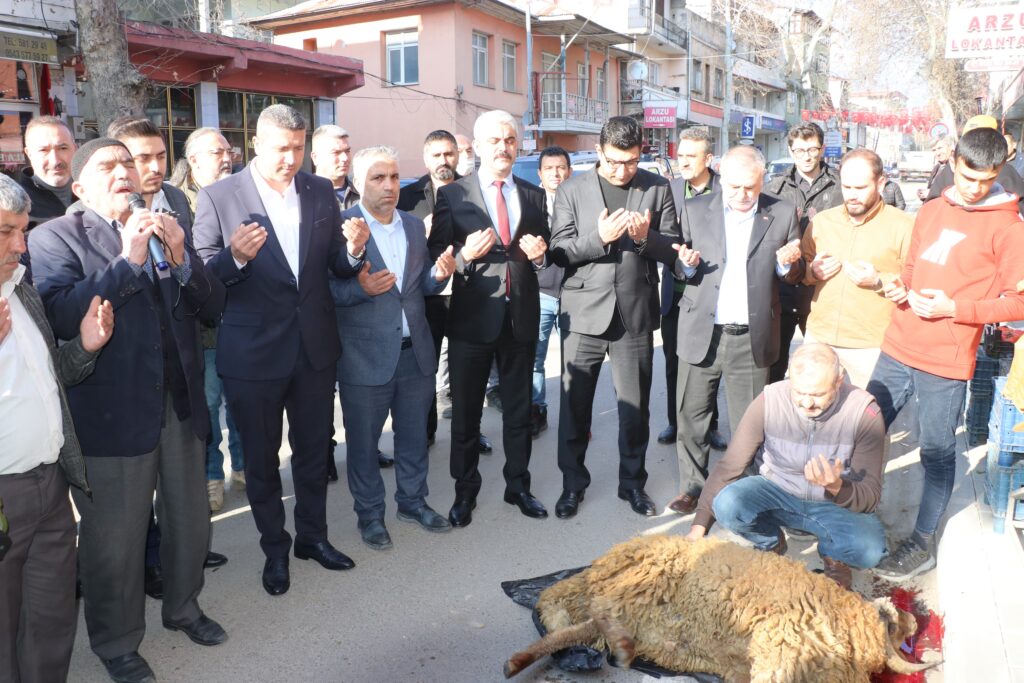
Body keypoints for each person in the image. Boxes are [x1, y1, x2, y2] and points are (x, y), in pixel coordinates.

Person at [29, 137, 227, 683]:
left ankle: (184, 607)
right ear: (80, 186)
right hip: (111, 415)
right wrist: (126, 262)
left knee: (189, 521)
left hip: (180, 403)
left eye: (129, 163)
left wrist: (183, 258)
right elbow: (62, 315)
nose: (124, 172)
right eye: (108, 166)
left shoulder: (164, 225)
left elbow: (213, 307)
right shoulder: (53, 238)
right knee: (114, 538)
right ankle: (116, 642)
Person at [193, 104, 363, 596]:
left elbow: (334, 264)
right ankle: (275, 550)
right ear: (256, 145)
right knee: (263, 461)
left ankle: (313, 537)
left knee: (314, 452)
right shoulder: (219, 196)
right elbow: (204, 279)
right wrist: (236, 258)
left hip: (313, 347)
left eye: (298, 148)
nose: (291, 158)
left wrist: (353, 250)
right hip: (253, 353)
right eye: (281, 149)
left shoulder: (319, 190)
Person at [867, 127, 1024, 581]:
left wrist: (956, 308)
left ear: (999, 172)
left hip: (947, 360)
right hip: (898, 343)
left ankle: (922, 542)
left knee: (936, 452)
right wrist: (898, 288)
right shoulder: (932, 208)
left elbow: (1018, 304)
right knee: (864, 429)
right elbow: (912, 268)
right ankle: (851, 514)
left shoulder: (1009, 227)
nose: (976, 188)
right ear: (953, 161)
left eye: (987, 178)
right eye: (968, 175)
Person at [0, 174, 113, 683]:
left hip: (50, 487)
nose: (20, 246)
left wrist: (85, 347)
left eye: (23, 231)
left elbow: (51, 381)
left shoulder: (21, 290)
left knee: (51, 624)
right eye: (6, 232)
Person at [548, 116, 680, 519]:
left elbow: (673, 247)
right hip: (584, 313)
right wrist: (598, 239)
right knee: (575, 406)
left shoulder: (657, 188)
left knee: (634, 408)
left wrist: (645, 239)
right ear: (600, 151)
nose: (622, 171)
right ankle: (573, 485)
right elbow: (559, 251)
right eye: (613, 162)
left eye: (631, 162)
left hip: (634, 313)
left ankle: (632, 485)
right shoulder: (572, 189)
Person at [427, 109, 550, 527]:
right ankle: (465, 493)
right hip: (471, 321)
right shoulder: (453, 196)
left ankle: (518, 486)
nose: (503, 147)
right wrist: (464, 256)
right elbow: (435, 257)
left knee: (519, 411)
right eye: (494, 141)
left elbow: (542, 249)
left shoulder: (533, 195)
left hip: (520, 318)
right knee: (466, 416)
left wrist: (541, 255)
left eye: (510, 140)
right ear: (476, 148)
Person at [331, 145, 457, 550]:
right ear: (357, 183)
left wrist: (438, 276)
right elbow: (327, 290)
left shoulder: (413, 226)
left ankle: (412, 502)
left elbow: (416, 289)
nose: (389, 186)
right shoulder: (341, 226)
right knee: (364, 444)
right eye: (377, 178)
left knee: (413, 437)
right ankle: (369, 516)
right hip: (363, 357)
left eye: (393, 177)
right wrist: (359, 288)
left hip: (415, 352)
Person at [668, 145, 804, 516]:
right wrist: (687, 266)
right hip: (702, 331)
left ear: (762, 180)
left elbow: (794, 275)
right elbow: (681, 269)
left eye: (751, 187)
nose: (743, 195)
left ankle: (739, 491)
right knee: (691, 416)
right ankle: (692, 487)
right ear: (719, 178)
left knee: (749, 423)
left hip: (752, 335)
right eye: (735, 187)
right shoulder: (695, 210)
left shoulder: (780, 212)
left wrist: (786, 266)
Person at [684, 344, 888, 590]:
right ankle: (771, 543)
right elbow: (729, 466)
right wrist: (699, 527)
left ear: (838, 382)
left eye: (818, 394)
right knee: (727, 503)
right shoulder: (770, 400)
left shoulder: (865, 412)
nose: (806, 403)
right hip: (776, 490)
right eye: (799, 392)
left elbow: (870, 497)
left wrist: (836, 486)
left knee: (871, 551)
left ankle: (834, 555)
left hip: (833, 505)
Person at [397, 130, 492, 454]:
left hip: (469, 293)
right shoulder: (407, 198)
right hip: (427, 298)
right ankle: (425, 433)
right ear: (426, 159)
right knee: (427, 369)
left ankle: (471, 433)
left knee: (469, 371)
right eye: (436, 155)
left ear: (458, 155)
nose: (443, 161)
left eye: (449, 154)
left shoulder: (475, 193)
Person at [168, 127, 245, 509]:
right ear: (193, 160)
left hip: (244, 316)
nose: (226, 157)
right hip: (204, 327)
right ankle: (212, 474)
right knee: (211, 403)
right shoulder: (177, 202)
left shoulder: (242, 193)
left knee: (243, 400)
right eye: (217, 152)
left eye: (228, 150)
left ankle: (244, 467)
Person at [313, 124, 391, 475]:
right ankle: (324, 452)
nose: (343, 158)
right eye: (335, 152)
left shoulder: (356, 194)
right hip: (320, 316)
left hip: (359, 317)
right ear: (314, 157)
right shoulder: (308, 197)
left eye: (347, 150)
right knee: (321, 395)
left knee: (361, 398)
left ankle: (366, 447)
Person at [801, 149, 914, 388]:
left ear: (881, 183)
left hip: (871, 345)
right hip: (819, 338)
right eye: (847, 187)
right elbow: (801, 273)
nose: (852, 195)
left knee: (866, 419)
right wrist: (812, 272)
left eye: (860, 188)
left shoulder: (903, 226)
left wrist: (879, 280)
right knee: (811, 413)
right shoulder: (822, 222)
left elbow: (915, 282)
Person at [660, 127, 727, 455]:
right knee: (674, 360)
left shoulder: (726, 190)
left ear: (708, 158)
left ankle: (709, 425)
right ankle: (675, 420)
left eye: (691, 156)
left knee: (709, 362)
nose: (683, 161)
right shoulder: (669, 190)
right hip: (677, 292)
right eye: (680, 154)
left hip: (714, 294)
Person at [764, 123, 843, 383]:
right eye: (799, 150)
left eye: (812, 149)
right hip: (782, 288)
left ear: (821, 149)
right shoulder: (774, 190)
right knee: (773, 366)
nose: (806, 156)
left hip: (824, 287)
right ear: (790, 150)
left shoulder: (840, 187)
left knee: (823, 366)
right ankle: (775, 420)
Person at [531, 146, 571, 437]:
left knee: (574, 361)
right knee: (535, 358)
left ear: (569, 171)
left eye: (561, 167)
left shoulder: (582, 201)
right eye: (549, 168)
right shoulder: (530, 204)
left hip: (575, 293)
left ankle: (575, 418)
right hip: (541, 292)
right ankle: (537, 410)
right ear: (540, 174)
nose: (556, 173)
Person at [925, 116, 1024, 206]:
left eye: (987, 180)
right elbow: (930, 208)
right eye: (967, 178)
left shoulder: (1006, 173)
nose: (975, 189)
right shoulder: (949, 171)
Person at [16, 116, 77, 229]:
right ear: (29, 154)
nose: (55, 161)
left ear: (75, 148)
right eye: (43, 150)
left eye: (63, 148)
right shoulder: (15, 203)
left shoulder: (95, 193)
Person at [311, 124, 359, 209]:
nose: (345, 158)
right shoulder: (304, 196)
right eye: (336, 152)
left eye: (347, 151)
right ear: (316, 158)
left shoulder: (362, 193)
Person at [918, 135, 953, 201]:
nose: (937, 153)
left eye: (940, 148)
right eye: (934, 150)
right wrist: (923, 195)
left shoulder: (956, 166)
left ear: (950, 147)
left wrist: (931, 193)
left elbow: (956, 192)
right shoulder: (937, 168)